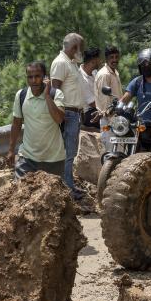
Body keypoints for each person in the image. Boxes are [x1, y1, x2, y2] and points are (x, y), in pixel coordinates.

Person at [6, 61, 67, 180]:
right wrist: (11, 150)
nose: (33, 80)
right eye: (30, 77)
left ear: (45, 77)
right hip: (27, 158)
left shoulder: (56, 94)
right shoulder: (21, 95)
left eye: (37, 76)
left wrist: (47, 96)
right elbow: (16, 123)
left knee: (53, 197)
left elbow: (59, 119)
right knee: (19, 194)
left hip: (54, 160)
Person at [49, 35, 88, 197]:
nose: (82, 52)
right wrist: (61, 116)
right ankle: (67, 190)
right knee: (67, 154)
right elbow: (54, 91)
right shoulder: (60, 63)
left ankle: (69, 186)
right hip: (68, 114)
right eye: (81, 48)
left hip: (75, 114)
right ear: (74, 48)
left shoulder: (71, 63)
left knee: (70, 153)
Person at [94, 46, 123, 128]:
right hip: (108, 118)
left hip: (117, 116)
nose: (115, 60)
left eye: (116, 57)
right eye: (112, 57)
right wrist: (108, 114)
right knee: (109, 140)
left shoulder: (115, 72)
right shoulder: (104, 74)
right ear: (106, 59)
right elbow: (104, 98)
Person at [81, 48, 103, 128]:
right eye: (99, 59)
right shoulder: (81, 78)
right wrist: (106, 110)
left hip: (99, 107)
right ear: (93, 61)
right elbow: (92, 103)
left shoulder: (94, 72)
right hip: (88, 113)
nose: (101, 61)